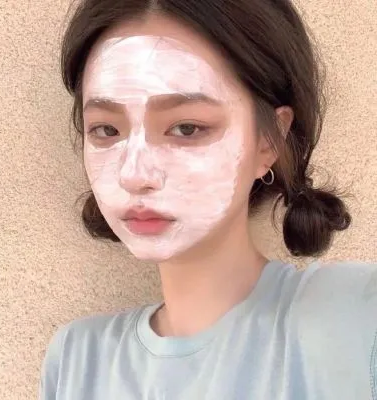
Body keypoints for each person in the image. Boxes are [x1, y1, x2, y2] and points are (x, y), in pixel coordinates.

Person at [39, 0, 376, 399]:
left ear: (268, 140)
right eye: (106, 130)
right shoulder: (77, 361)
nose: (134, 174)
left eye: (186, 128)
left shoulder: (358, 315)